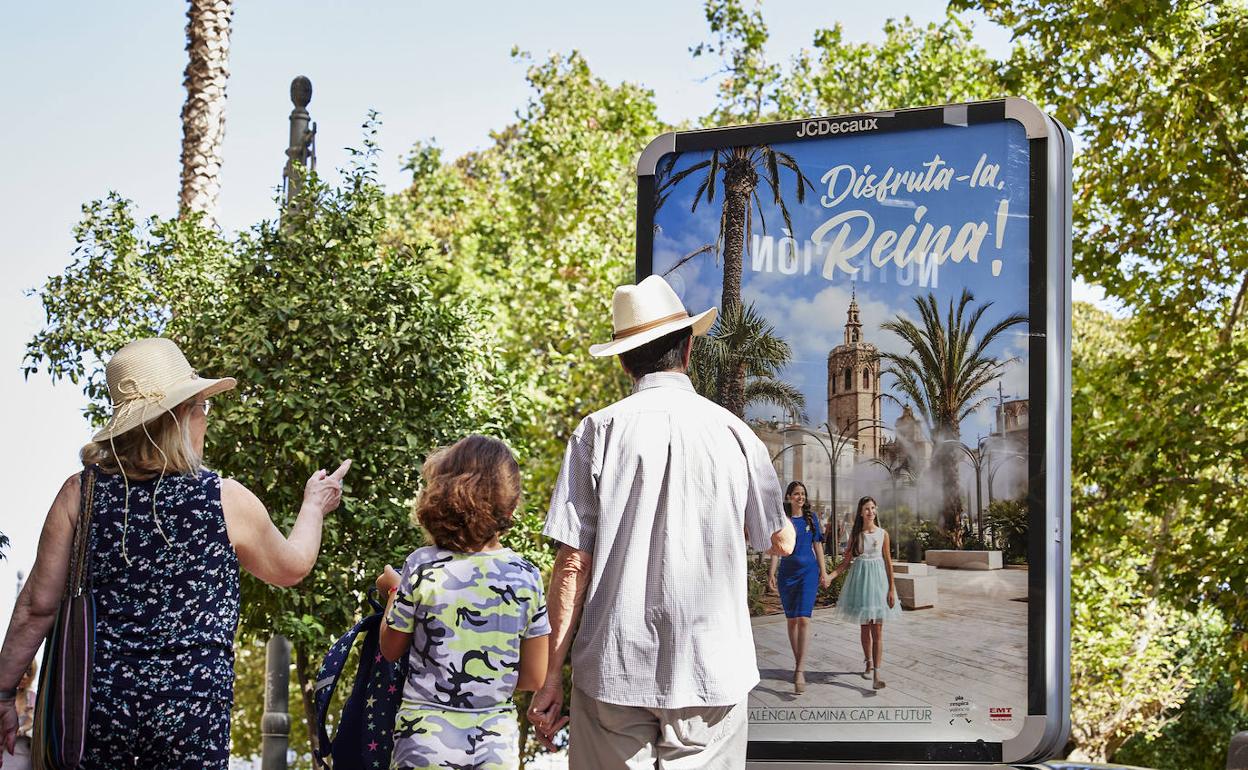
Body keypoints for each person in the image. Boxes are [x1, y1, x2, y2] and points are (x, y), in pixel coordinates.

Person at [0, 337, 349, 769]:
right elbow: (292, 567)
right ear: (183, 416)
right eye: (202, 407)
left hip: (98, 715)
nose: (206, 419)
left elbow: (37, 607)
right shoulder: (225, 499)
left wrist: (2, 693)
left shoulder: (80, 493)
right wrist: (313, 505)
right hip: (193, 717)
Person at [527, 275, 795, 769]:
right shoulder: (737, 435)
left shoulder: (598, 430)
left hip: (614, 670)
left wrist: (550, 676)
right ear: (689, 349)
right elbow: (778, 540)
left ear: (625, 361)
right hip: (712, 672)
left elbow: (571, 566)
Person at [376, 435, 551, 770]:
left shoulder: (422, 566)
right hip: (494, 744)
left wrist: (393, 592)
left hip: (423, 739)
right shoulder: (525, 576)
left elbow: (390, 647)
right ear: (511, 508)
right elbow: (533, 676)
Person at [825, 495, 900, 690]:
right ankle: (867, 661)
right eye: (867, 508)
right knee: (865, 628)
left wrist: (891, 588)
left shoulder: (883, 534)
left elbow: (888, 562)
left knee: (878, 630)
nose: (871, 511)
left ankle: (877, 672)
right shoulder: (856, 535)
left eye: (873, 508)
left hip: (879, 585)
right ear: (861, 512)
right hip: (860, 584)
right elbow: (845, 563)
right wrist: (830, 576)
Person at [767, 481, 828, 693]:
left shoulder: (812, 519)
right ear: (789, 497)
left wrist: (824, 571)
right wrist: (771, 572)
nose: (800, 497)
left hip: (808, 574)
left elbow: (818, 546)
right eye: (796, 494)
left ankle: (800, 670)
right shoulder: (782, 521)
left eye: (802, 494)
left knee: (803, 619)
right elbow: (777, 549)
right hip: (787, 575)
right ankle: (798, 663)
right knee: (792, 621)